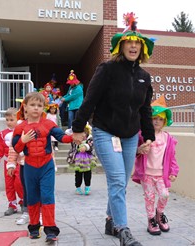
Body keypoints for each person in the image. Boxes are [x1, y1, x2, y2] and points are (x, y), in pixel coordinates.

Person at [71, 12, 155, 246]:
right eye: (129, 42)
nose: (133, 46)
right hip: (105, 131)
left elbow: (144, 110)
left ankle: (110, 220)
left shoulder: (144, 77)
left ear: (142, 49)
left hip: (129, 136)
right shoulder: (106, 69)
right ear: (120, 45)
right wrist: (78, 128)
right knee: (117, 180)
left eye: (137, 44)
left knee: (122, 182)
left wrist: (149, 136)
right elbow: (90, 99)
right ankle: (123, 230)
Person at [12, 92, 72, 242]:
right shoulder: (20, 127)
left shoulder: (49, 124)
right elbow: (16, 148)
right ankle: (33, 227)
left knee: (47, 197)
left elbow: (62, 137)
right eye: (32, 105)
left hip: (46, 166)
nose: (36, 108)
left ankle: (50, 230)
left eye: (39, 105)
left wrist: (75, 137)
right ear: (25, 107)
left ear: (43, 108)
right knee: (32, 198)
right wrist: (24, 140)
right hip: (30, 167)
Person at [132, 95, 179, 236]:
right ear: (149, 119)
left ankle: (160, 214)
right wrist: (139, 150)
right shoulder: (142, 135)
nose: (157, 121)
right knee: (149, 198)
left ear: (164, 121)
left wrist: (174, 171)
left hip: (161, 174)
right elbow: (133, 151)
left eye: (160, 119)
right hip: (147, 174)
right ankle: (151, 220)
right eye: (154, 118)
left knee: (164, 195)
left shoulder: (168, 138)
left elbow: (172, 158)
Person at [0, 107, 24, 216]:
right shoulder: (2, 134)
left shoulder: (22, 132)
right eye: (7, 120)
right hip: (7, 163)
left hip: (19, 163)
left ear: (18, 119)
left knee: (19, 183)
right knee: (9, 184)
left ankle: (23, 201)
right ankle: (12, 205)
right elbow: (1, 150)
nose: (9, 122)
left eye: (11, 120)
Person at [7, 102, 29, 225]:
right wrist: (11, 163)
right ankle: (26, 212)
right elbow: (13, 148)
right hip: (24, 165)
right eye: (25, 112)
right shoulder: (19, 129)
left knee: (40, 190)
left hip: (41, 166)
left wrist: (52, 165)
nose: (28, 114)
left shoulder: (43, 126)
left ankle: (41, 213)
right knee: (26, 189)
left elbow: (49, 149)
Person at [66, 124, 97, 195]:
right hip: (78, 159)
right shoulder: (75, 138)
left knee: (88, 173)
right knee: (78, 174)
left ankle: (87, 187)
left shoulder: (90, 138)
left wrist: (86, 147)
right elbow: (67, 132)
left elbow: (91, 145)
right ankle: (78, 187)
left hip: (88, 159)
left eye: (84, 133)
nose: (83, 135)